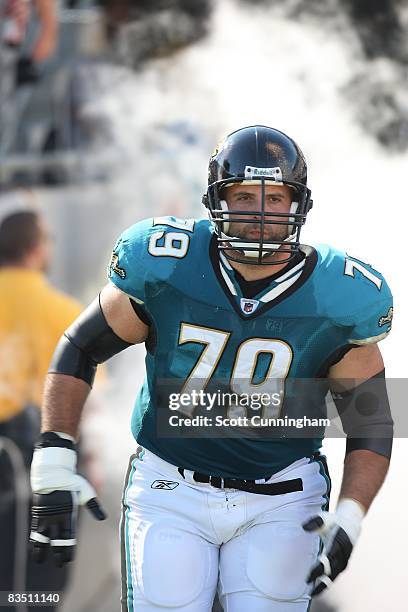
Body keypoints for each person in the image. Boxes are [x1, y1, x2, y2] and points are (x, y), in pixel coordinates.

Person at [29, 125, 393, 611]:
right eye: (243, 196)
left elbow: (371, 420)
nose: (259, 213)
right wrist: (53, 458)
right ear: (215, 200)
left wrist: (351, 512)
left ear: (297, 205)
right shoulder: (168, 265)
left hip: (283, 496)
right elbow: (79, 346)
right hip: (169, 487)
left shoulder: (338, 294)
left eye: (274, 196)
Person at [0, 210, 82, 610]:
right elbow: (84, 402)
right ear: (35, 248)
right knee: (38, 582)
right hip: (39, 461)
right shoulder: (62, 312)